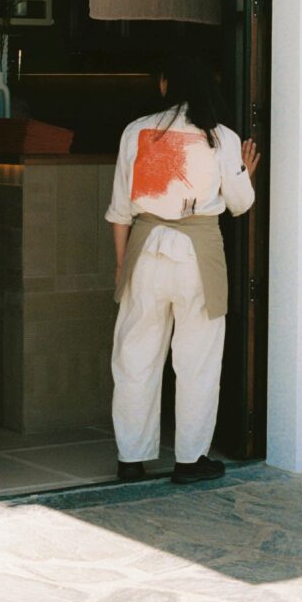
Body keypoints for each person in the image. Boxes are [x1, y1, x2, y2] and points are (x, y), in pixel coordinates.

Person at [104, 52, 261, 484]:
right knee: (198, 360)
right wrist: (246, 173)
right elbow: (240, 203)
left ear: (164, 84)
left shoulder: (136, 131)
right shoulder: (221, 137)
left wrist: (121, 265)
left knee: (135, 356)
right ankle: (191, 461)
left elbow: (119, 211)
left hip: (145, 249)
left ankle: (131, 458)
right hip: (199, 256)